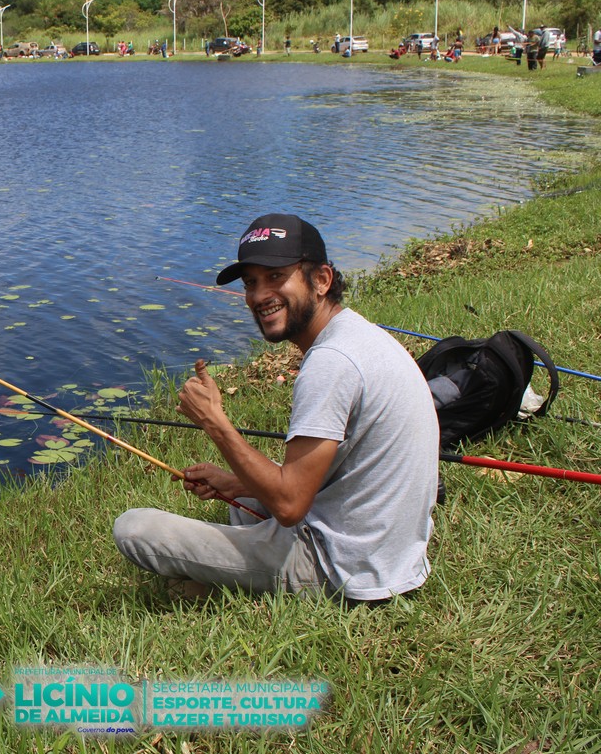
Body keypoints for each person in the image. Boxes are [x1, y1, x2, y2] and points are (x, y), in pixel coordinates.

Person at [114, 213, 439, 604]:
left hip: (344, 568)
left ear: (322, 280)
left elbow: (289, 505)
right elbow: (327, 474)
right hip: (389, 553)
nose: (259, 296)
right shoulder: (357, 335)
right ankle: (223, 576)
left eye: (276, 277)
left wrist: (213, 421)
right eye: (251, 283)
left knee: (134, 528)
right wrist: (236, 484)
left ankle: (225, 585)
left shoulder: (331, 363)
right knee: (244, 500)